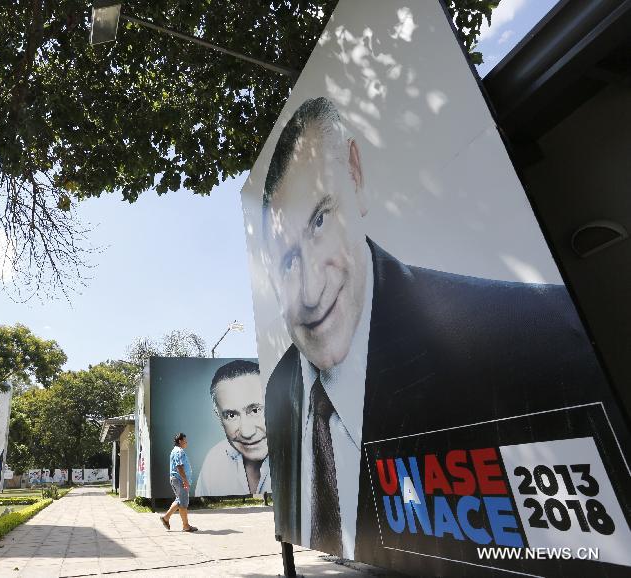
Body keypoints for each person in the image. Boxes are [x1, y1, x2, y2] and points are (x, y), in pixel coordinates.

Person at [261, 97, 609, 559]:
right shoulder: (279, 389)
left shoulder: (533, 335)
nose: (309, 289)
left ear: (356, 176)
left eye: (320, 220)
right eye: (287, 261)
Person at [195, 360, 271, 497]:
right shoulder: (214, 461)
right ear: (219, 417)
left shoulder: (304, 457)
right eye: (231, 415)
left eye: (255, 410)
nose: (247, 432)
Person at [160, 432, 197, 532]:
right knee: (183, 503)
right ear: (180, 441)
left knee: (179, 500)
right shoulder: (179, 451)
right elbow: (179, 467)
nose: (186, 443)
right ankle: (186, 526)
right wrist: (185, 480)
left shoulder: (177, 451)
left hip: (177, 479)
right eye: (185, 441)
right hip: (179, 480)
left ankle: (166, 518)